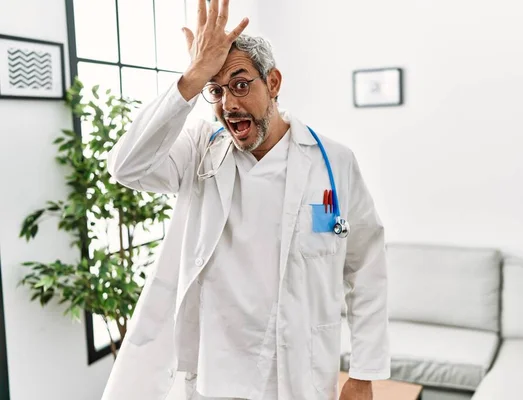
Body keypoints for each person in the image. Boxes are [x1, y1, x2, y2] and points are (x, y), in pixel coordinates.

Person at [101, 0, 389, 399]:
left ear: (272, 83)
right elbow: (127, 167)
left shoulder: (333, 162)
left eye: (240, 84)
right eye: (215, 90)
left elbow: (367, 268)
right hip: (210, 377)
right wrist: (191, 78)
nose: (229, 104)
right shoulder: (199, 149)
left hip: (294, 374)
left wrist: (363, 372)